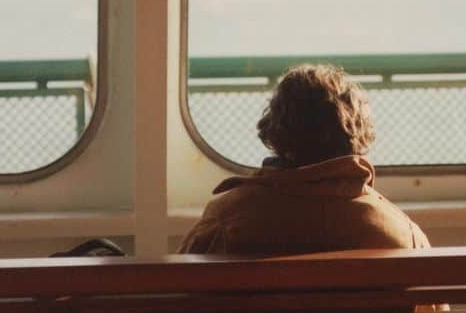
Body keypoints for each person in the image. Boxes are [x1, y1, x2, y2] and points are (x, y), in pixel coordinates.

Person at [179, 63, 430, 255]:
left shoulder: (225, 222)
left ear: (277, 134)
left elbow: (181, 308)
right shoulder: (400, 236)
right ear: (355, 139)